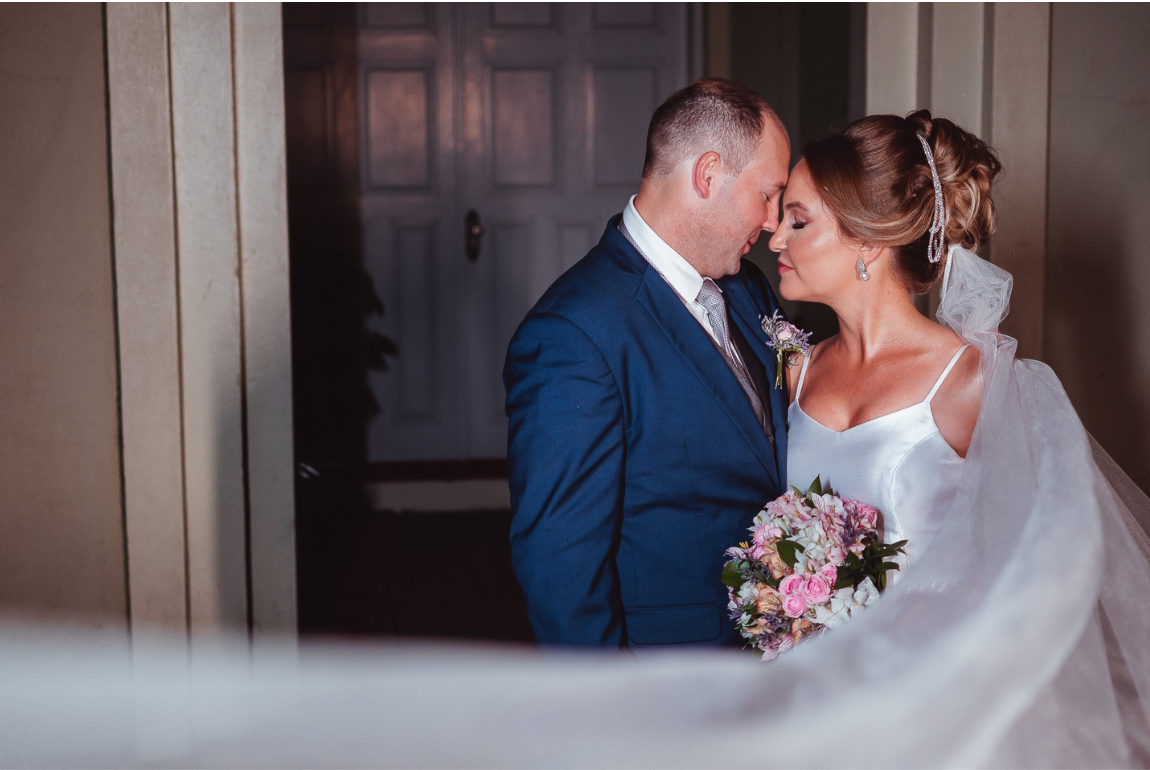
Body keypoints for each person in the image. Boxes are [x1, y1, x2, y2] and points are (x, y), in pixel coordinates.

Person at [503, 79, 792, 647]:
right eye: (768, 194)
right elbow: (561, 571)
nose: (772, 222)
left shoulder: (747, 287)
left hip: (771, 656)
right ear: (708, 175)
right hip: (670, 672)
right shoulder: (572, 337)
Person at [771, 111, 989, 575]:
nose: (775, 240)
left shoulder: (969, 379)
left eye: (798, 222)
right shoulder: (796, 371)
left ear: (866, 242)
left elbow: (1024, 557)